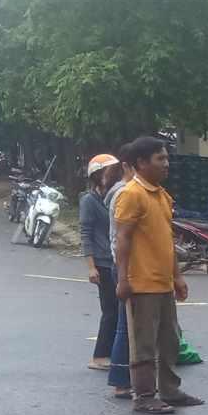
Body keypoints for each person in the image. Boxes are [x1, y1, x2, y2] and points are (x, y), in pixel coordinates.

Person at [113, 137, 201, 413]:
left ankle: (170, 391)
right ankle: (144, 395)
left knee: (170, 340)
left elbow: (166, 240)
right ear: (141, 163)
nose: (166, 163)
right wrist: (123, 279)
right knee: (144, 344)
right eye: (160, 159)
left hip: (162, 283)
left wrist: (177, 276)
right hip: (141, 284)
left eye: (166, 158)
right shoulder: (131, 194)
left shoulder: (161, 195)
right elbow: (122, 240)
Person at [80, 154, 123, 370]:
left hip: (116, 261)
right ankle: (99, 356)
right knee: (110, 311)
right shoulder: (89, 201)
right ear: (97, 176)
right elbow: (85, 234)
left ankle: (114, 353)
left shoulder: (116, 197)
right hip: (103, 263)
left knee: (118, 310)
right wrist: (91, 267)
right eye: (108, 172)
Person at [104, 156, 132, 398]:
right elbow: (121, 239)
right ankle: (122, 380)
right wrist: (124, 276)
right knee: (126, 324)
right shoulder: (124, 193)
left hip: (124, 266)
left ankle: (126, 378)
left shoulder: (122, 191)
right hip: (125, 266)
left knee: (128, 324)